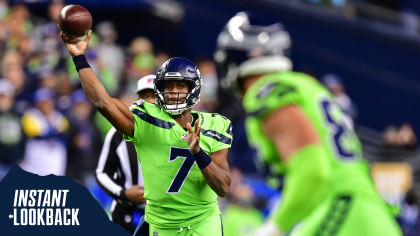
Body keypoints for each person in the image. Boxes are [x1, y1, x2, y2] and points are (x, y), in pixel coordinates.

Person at [214, 11, 402, 236]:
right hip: (370, 212)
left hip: (341, 207)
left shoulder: (267, 90)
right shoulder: (306, 85)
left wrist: (274, 228)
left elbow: (313, 170)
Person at [60, 31, 233, 236]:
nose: (173, 92)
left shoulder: (215, 125)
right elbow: (103, 102)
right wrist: (79, 59)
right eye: (168, 86)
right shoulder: (146, 119)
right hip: (160, 224)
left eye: (180, 85)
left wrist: (199, 154)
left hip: (202, 222)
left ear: (193, 90)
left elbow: (223, 187)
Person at [95, 74, 155, 235]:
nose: (149, 101)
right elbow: (102, 173)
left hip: (162, 217)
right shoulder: (118, 133)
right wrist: (124, 193)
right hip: (125, 216)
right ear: (137, 99)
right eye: (145, 96)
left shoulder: (177, 133)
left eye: (154, 96)